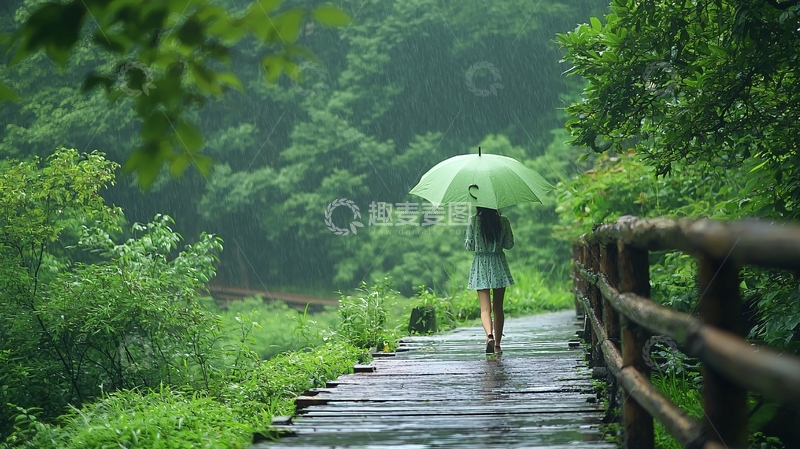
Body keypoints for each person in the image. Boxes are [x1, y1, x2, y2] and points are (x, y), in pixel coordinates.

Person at [464, 206, 515, 354]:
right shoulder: (503, 221)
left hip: (480, 264)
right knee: (498, 307)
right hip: (498, 263)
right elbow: (509, 244)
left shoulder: (474, 221)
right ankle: (497, 345)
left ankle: (489, 335)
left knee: (485, 308)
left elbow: (469, 245)